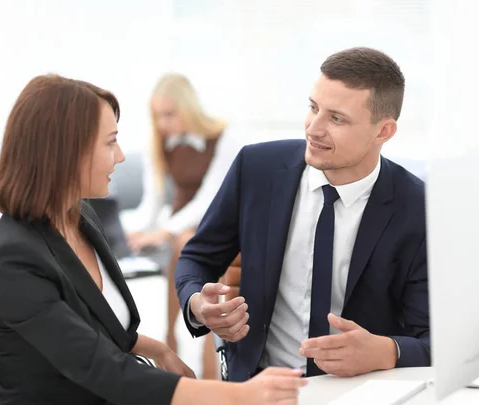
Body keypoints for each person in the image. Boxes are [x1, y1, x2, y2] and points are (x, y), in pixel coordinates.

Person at [0, 74, 306, 404]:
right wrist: (238, 396)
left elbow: (100, 326)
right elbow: (99, 366)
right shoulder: (13, 259)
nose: (120, 156)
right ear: (66, 150)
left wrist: (159, 349)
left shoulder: (79, 218)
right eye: (110, 142)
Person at [175, 47, 430, 382]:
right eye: (313, 108)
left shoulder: (419, 207)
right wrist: (198, 304)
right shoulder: (256, 168)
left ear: (383, 132)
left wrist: (385, 351)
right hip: (257, 382)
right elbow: (196, 257)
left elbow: (435, 337)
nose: (313, 129)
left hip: (360, 389)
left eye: (336, 118)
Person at [126, 74, 243, 375]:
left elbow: (210, 196)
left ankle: (190, 342)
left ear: (188, 108)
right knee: (184, 245)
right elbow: (154, 196)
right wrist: (140, 228)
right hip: (182, 224)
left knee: (185, 244)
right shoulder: (161, 141)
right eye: (157, 115)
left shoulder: (224, 138)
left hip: (217, 222)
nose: (162, 123)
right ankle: (174, 334)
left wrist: (167, 230)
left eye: (169, 114)